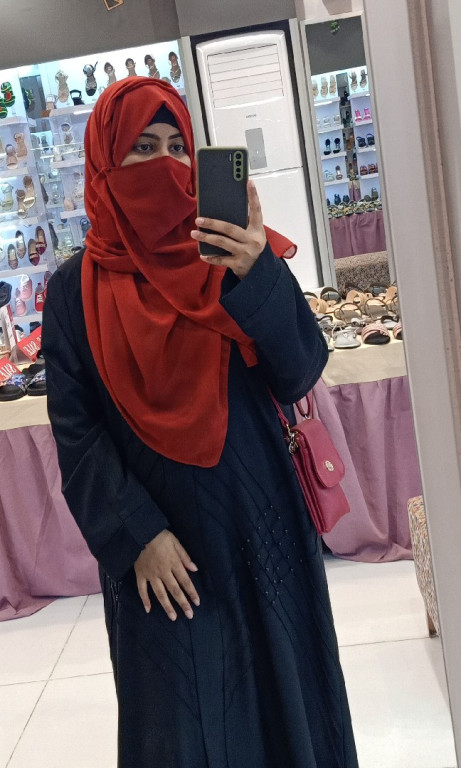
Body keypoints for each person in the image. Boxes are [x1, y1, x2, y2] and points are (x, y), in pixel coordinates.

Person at [42, 77, 358, 768]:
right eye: (142, 148)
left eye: (177, 146)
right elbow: (76, 430)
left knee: (286, 703)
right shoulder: (72, 291)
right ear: (105, 162)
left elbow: (300, 370)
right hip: (161, 553)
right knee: (182, 725)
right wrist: (139, 536)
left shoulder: (232, 255)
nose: (165, 164)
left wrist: (258, 273)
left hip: (261, 523)